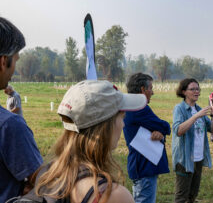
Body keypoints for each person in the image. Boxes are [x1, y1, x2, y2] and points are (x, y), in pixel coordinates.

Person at [33, 80, 147, 203]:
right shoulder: (113, 196)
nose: (123, 124)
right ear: (105, 127)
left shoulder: (47, 175)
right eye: (122, 117)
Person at [0, 17, 43, 202]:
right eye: (15, 60)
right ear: (3, 61)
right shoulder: (9, 126)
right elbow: (44, 183)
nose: (14, 70)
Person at [123, 73, 170, 203]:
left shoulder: (129, 105)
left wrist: (159, 133)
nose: (153, 92)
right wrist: (163, 129)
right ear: (143, 89)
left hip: (140, 166)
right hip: (144, 166)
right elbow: (164, 126)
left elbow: (156, 127)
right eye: (150, 88)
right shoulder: (138, 108)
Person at [172, 78, 213, 203]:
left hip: (198, 158)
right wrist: (196, 116)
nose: (196, 91)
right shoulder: (180, 109)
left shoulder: (199, 109)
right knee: (181, 197)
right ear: (184, 92)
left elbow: (212, 129)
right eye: (192, 89)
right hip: (185, 158)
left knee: (192, 195)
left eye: (197, 89)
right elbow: (178, 130)